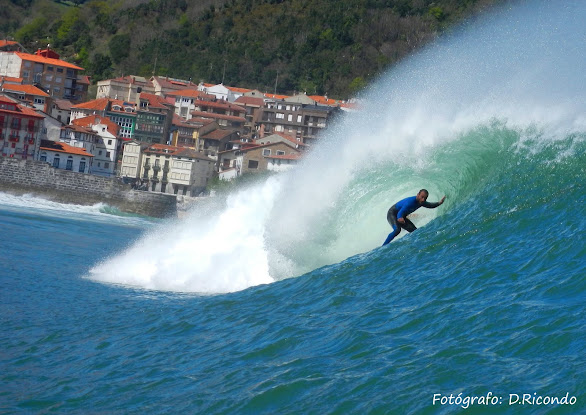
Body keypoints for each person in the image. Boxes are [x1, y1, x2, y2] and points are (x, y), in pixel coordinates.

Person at [382, 189, 446, 246]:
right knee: (397, 230)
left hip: (402, 217)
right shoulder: (410, 202)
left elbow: (430, 205)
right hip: (392, 214)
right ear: (418, 195)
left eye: (425, 198)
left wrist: (439, 203)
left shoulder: (421, 202)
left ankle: (416, 246)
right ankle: (383, 247)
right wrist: (399, 218)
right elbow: (400, 212)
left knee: (415, 231)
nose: (423, 199)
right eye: (422, 197)